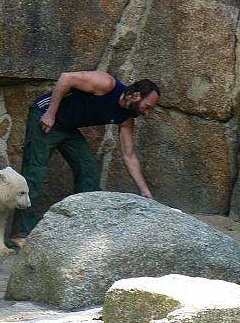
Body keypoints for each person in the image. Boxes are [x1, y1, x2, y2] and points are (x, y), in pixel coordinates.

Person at [8, 71, 160, 247]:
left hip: (67, 128)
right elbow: (66, 78)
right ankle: (20, 233)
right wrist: (50, 114)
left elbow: (129, 155)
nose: (146, 113)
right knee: (34, 173)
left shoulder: (126, 119)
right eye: (147, 106)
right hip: (44, 117)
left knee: (89, 171)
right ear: (136, 95)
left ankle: (81, 229)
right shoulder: (107, 84)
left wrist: (145, 192)